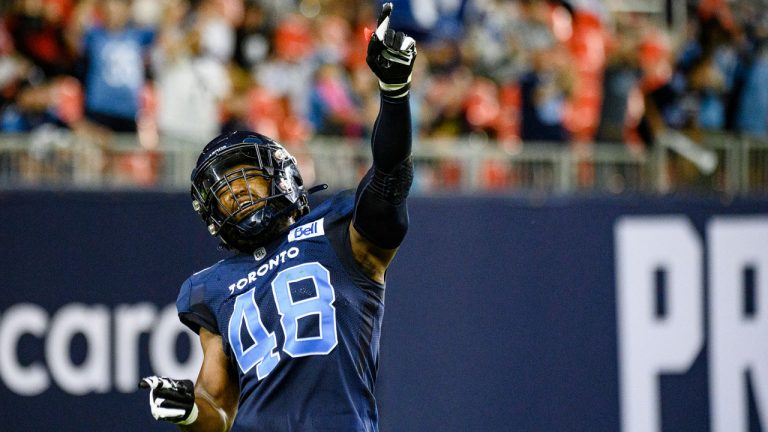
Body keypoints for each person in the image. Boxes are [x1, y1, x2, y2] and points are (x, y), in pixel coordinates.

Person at [138, 3, 416, 431]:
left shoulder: (336, 230)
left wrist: (393, 92)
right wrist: (190, 411)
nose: (237, 196)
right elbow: (217, 407)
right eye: (225, 193)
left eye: (247, 179)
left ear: (280, 177)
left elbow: (389, 177)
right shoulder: (209, 287)